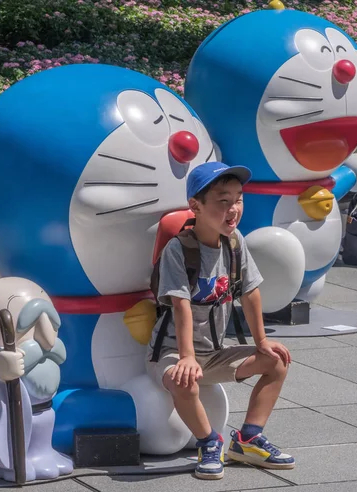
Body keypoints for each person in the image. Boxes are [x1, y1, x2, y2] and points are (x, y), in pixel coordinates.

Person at [146, 161, 295, 480]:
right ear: (195, 206)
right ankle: (209, 442)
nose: (233, 209)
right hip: (172, 351)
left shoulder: (235, 243)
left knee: (277, 362)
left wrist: (262, 344)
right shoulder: (179, 249)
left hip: (214, 352)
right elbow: (181, 305)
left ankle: (248, 439)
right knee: (183, 380)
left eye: (238, 199)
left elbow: (251, 293)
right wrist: (186, 357)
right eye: (222, 201)